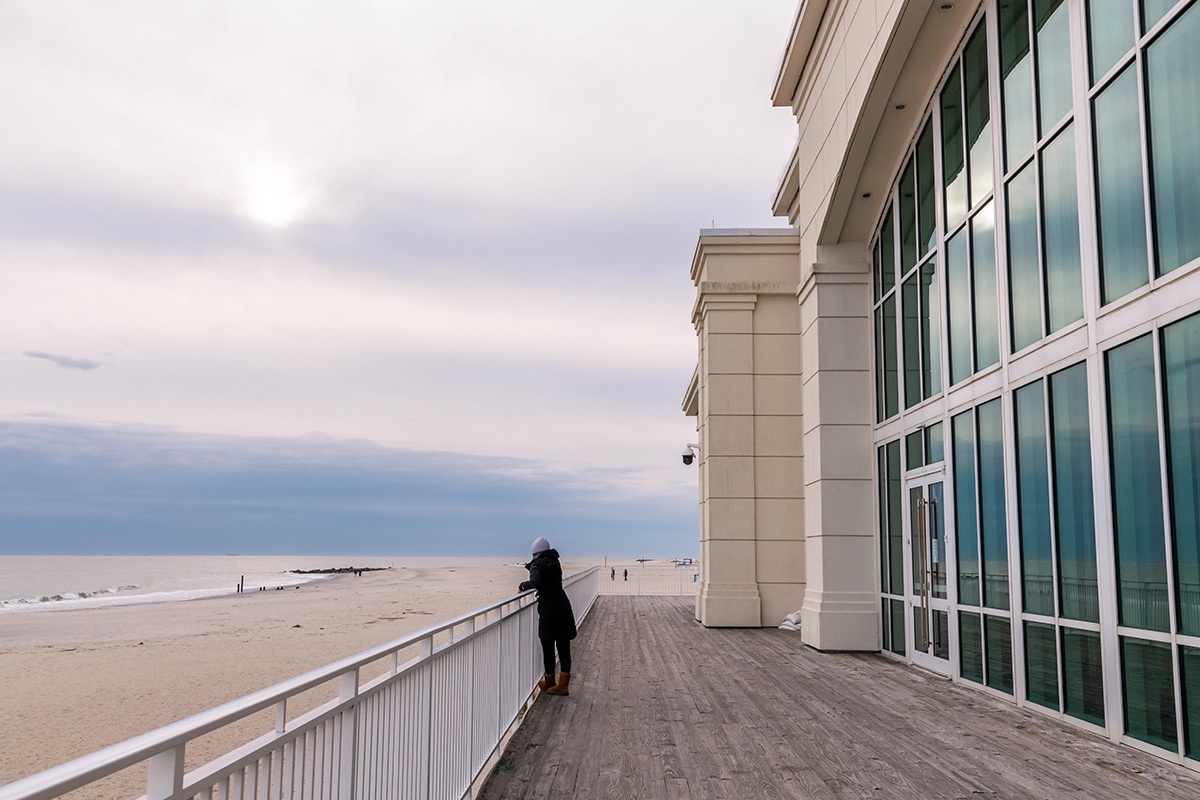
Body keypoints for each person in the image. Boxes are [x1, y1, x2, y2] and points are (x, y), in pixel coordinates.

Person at [519, 537, 577, 696]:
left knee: (547, 644)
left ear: (534, 553)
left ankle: (550, 680)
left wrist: (522, 586)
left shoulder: (537, 564)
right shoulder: (554, 562)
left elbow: (536, 582)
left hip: (549, 611)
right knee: (563, 646)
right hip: (562, 606)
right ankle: (563, 685)